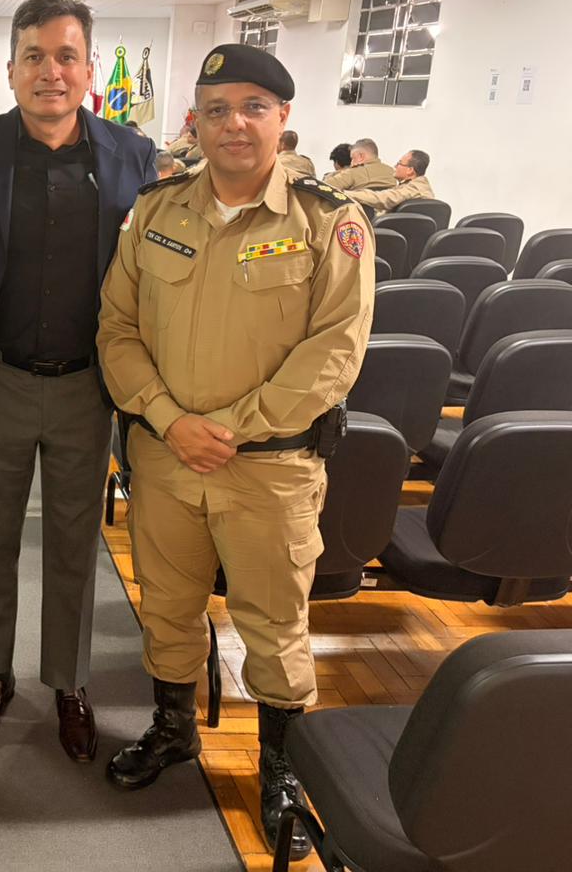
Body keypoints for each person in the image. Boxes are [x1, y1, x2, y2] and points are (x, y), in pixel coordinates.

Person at [96, 44, 374, 861]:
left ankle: (281, 764)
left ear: (284, 117)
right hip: (166, 460)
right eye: (217, 109)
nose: (235, 124)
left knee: (274, 623)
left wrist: (232, 426)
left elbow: (335, 351)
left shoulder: (327, 222)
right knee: (167, 606)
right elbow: (116, 327)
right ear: (197, 122)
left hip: (271, 469)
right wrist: (166, 417)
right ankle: (173, 728)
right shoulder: (156, 211)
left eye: (254, 106)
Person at [0, 0, 156, 762]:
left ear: (90, 70)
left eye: (66, 56)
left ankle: (69, 681)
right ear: (11, 70)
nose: (51, 72)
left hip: (88, 385)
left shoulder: (132, 154)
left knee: (73, 541)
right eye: (34, 56)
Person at [346, 149, 433, 213]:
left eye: (399, 163)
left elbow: (382, 199)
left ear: (410, 170)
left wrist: (345, 194)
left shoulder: (415, 188)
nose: (395, 166)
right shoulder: (418, 186)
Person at [326, 137, 396, 192]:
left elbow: (325, 186)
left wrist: (331, 175)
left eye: (353, 158)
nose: (351, 163)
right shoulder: (392, 172)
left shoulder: (353, 173)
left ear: (361, 156)